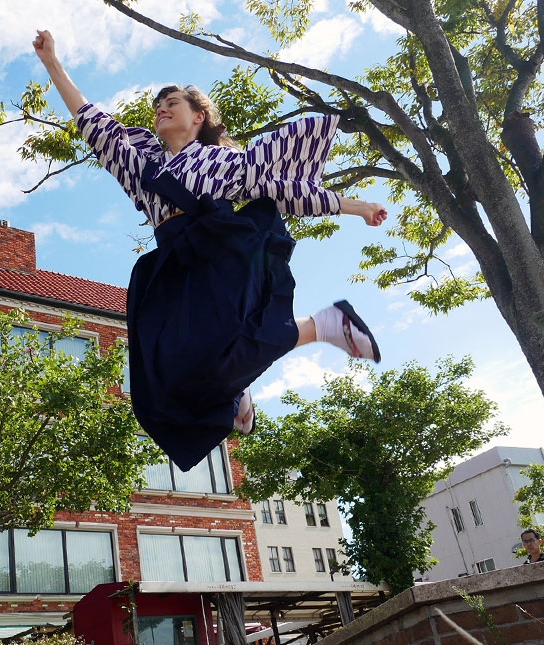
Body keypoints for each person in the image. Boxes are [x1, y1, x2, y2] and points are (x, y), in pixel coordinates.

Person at [33, 30, 388, 471]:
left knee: (220, 338)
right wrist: (53, 64)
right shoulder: (142, 164)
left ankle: (325, 325)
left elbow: (289, 191)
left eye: (173, 104)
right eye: (158, 107)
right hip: (173, 264)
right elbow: (93, 122)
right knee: (163, 373)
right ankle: (234, 388)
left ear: (199, 116)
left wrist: (358, 207)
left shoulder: (224, 161)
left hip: (219, 253)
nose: (162, 110)